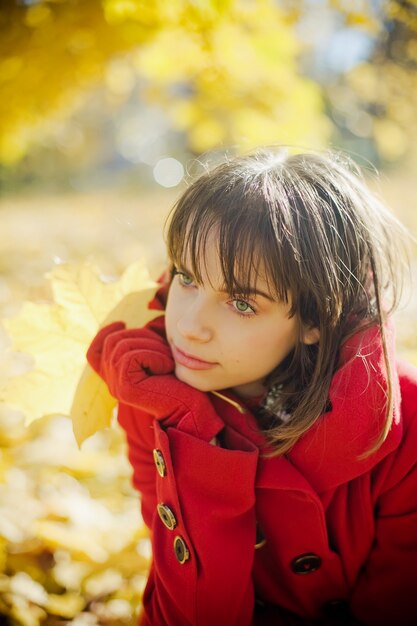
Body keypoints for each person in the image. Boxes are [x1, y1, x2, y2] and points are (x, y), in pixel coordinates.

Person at [86, 148, 417, 626]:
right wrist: (190, 436)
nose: (190, 326)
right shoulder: (152, 397)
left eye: (241, 303)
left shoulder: (402, 424)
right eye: (187, 278)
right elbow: (188, 609)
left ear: (315, 318)